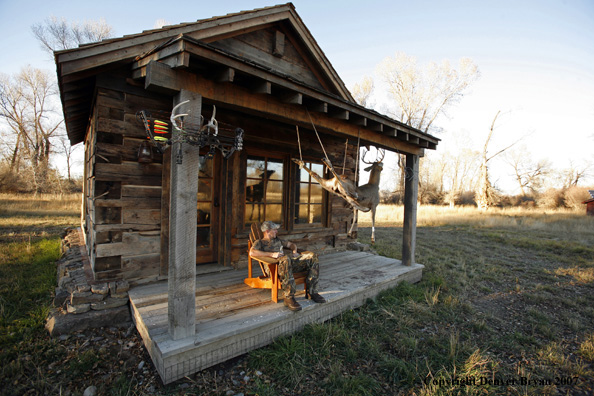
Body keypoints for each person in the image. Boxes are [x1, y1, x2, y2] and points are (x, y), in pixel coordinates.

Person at [249, 221, 326, 311]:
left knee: (313, 256)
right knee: (285, 259)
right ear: (267, 231)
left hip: (288, 264)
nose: (276, 232)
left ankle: (312, 292)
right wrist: (272, 254)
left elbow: (291, 245)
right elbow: (252, 252)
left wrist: (294, 251)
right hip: (275, 268)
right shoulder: (260, 242)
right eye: (274, 230)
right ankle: (288, 297)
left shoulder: (278, 240)